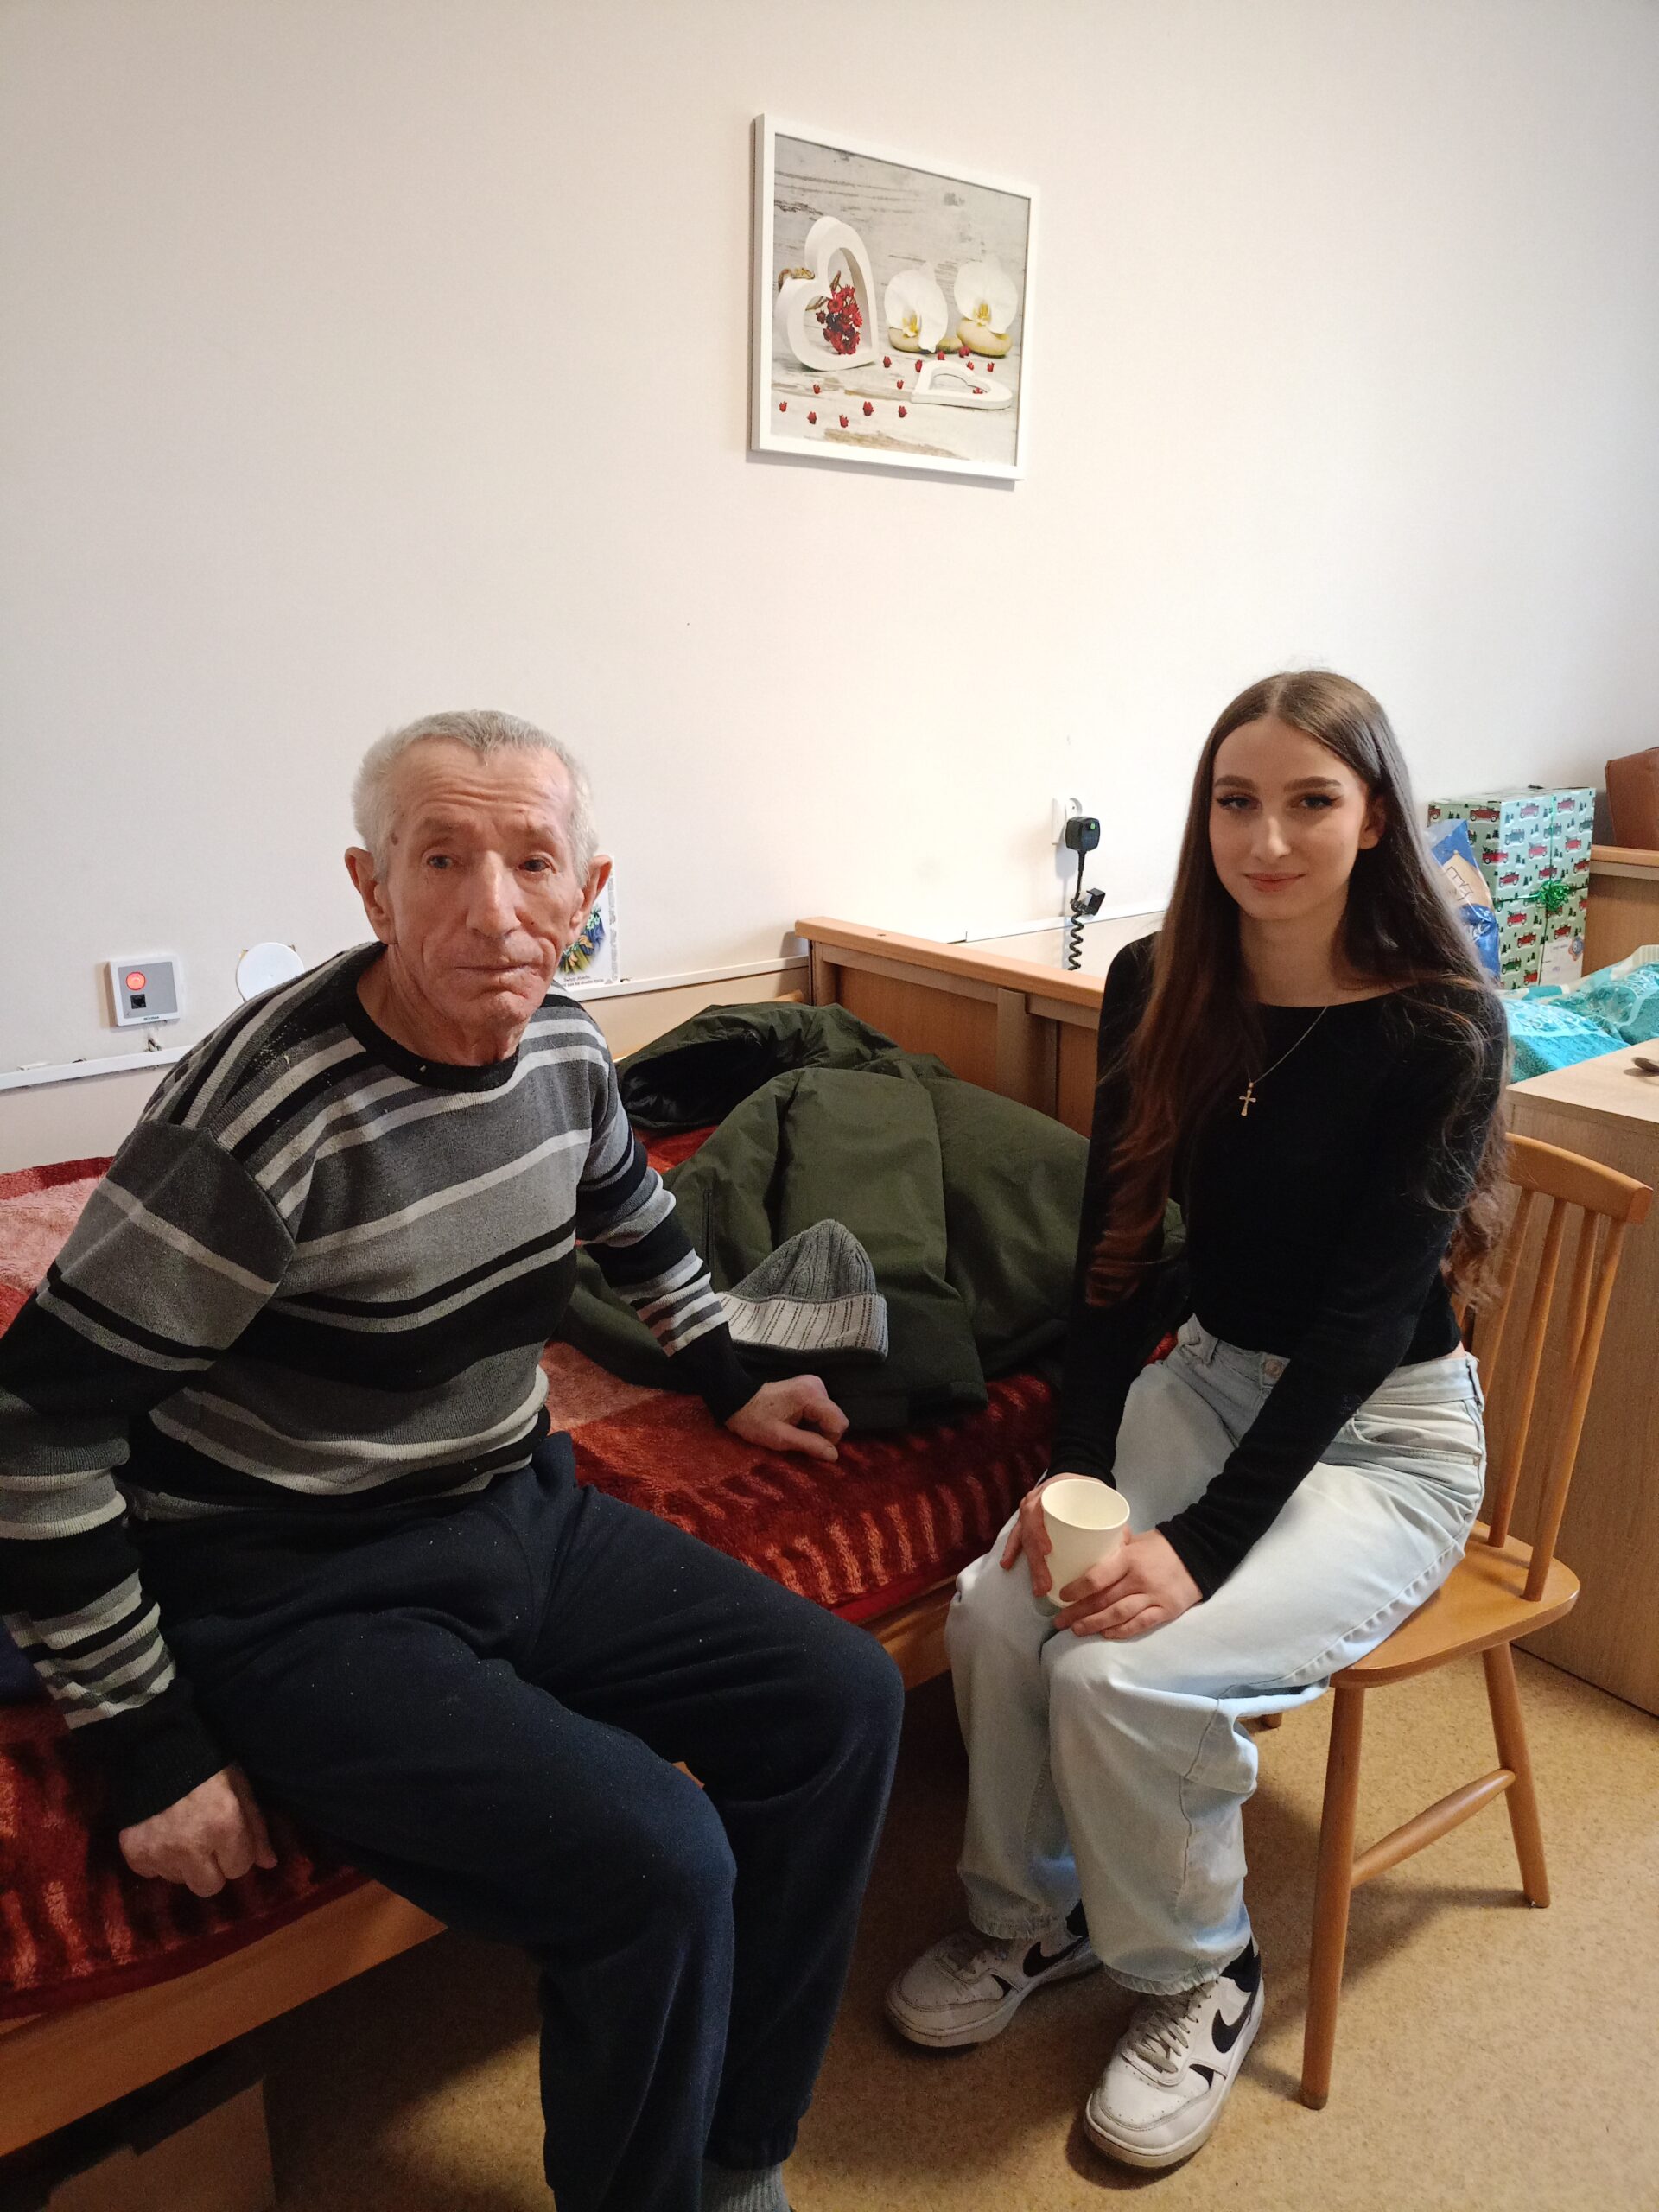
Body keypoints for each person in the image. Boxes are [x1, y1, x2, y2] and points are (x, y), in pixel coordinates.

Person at [0, 709, 905, 2212]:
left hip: (514, 1505)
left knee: (844, 1700)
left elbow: (630, 1213)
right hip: (288, 1582)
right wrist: (150, 1745)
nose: (493, 910)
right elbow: (32, 1431)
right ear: (371, 885)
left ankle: (736, 2155)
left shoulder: (563, 1043)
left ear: (587, 889)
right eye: (441, 860)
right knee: (661, 1863)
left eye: (533, 862)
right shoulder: (268, 1112)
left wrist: (726, 1368)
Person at [886, 671, 1507, 2170]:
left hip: (1383, 1430)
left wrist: (1199, 1550)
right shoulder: (1159, 978)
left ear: (1375, 820)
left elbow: (1358, 1334)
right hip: (1215, 1371)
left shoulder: (1441, 1026)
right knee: (999, 1609)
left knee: (1125, 1675)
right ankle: (1034, 1919)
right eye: (1238, 801)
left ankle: (1201, 1972)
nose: (1267, 839)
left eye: (1311, 802)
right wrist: (1074, 1476)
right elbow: (1113, 1251)